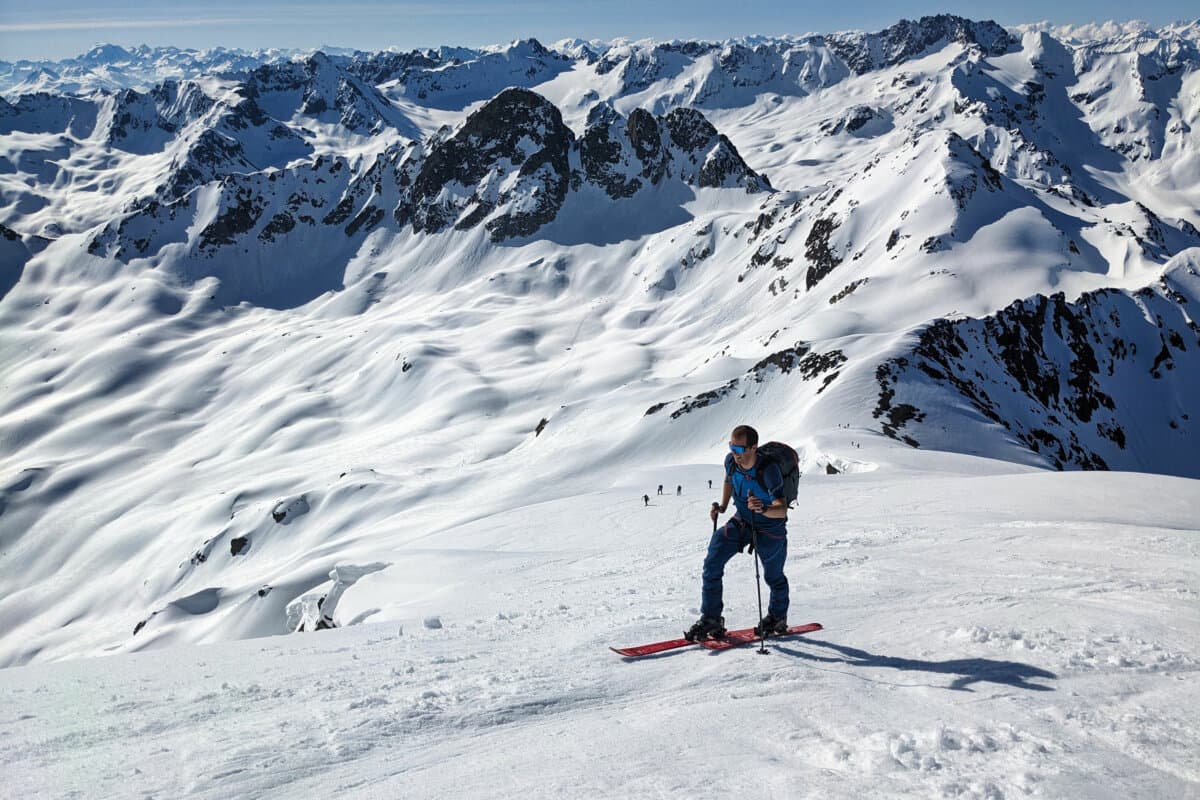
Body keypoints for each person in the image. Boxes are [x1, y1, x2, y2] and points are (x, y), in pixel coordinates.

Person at [686, 424, 790, 641]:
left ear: (754, 448)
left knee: (773, 576)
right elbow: (728, 480)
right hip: (742, 521)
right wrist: (723, 507)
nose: (735, 453)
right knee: (713, 561)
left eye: (740, 449)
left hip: (770, 529)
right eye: (732, 447)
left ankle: (777, 617)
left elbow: (781, 509)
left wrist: (763, 508)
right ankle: (711, 618)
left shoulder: (768, 470)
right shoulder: (731, 462)